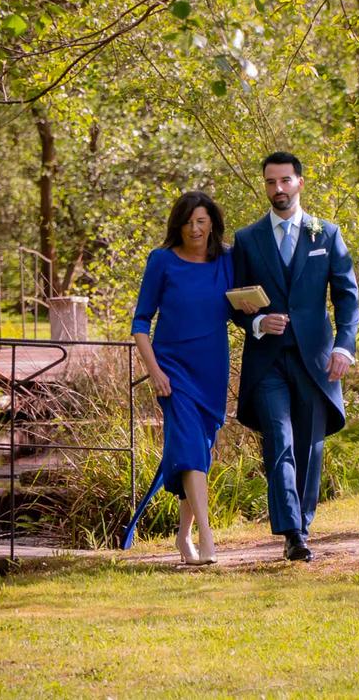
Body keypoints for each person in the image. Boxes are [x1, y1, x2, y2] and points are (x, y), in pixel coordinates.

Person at [230, 151, 359, 562]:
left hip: (316, 361)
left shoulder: (328, 235)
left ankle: (302, 526)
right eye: (270, 182)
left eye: (285, 181)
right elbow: (233, 303)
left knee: (308, 445)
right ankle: (290, 533)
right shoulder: (247, 239)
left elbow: (347, 297)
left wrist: (344, 346)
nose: (278, 189)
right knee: (279, 441)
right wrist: (257, 323)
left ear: (299, 182)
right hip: (266, 361)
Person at [121, 191, 233, 564]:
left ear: (212, 224)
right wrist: (154, 371)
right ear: (177, 225)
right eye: (188, 222)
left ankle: (182, 536)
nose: (195, 229)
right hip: (173, 370)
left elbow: (243, 302)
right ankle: (207, 537)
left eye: (202, 221)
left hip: (212, 371)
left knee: (197, 452)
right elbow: (140, 322)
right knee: (189, 449)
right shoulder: (162, 261)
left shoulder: (226, 261)